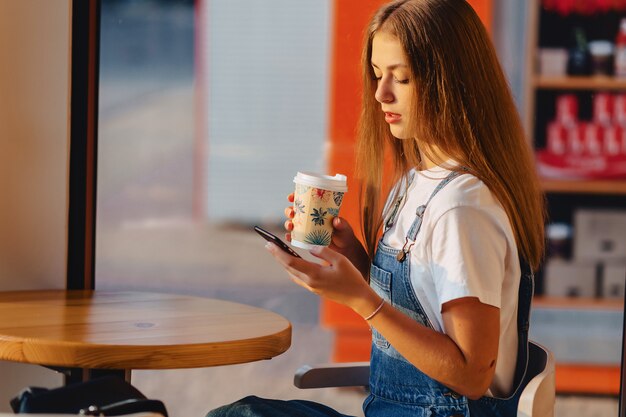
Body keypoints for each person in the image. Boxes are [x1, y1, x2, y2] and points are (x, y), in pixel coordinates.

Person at [206, 0, 545, 416]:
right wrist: (356, 263)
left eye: (400, 78)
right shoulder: (415, 181)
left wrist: (362, 300)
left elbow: (472, 375)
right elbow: (425, 314)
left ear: (451, 81)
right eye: (376, 74)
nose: (380, 93)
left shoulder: (462, 209)